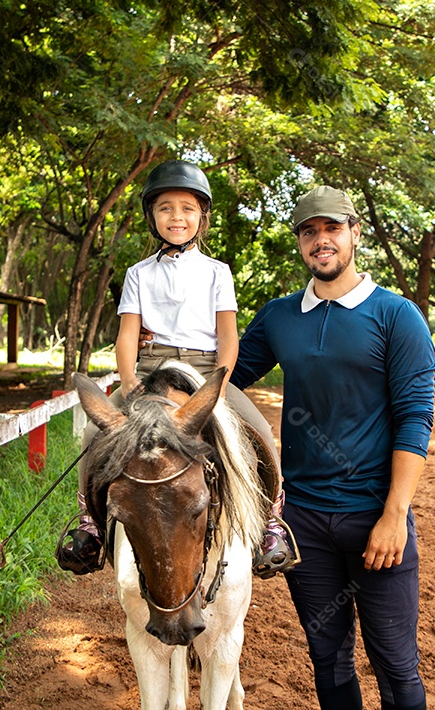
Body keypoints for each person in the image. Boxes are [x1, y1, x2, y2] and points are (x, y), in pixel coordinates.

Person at [229, 186, 435, 710]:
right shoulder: (279, 317)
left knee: (395, 663)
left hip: (374, 519)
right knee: (329, 656)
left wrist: (395, 515)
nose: (322, 241)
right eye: (309, 231)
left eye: (332, 229)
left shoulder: (397, 316)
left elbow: (416, 419)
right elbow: (223, 377)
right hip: (303, 520)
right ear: (299, 242)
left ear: (354, 234)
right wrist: (158, 352)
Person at [55, 159, 298, 579]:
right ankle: (91, 524)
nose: (176, 217)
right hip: (151, 368)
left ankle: (269, 521)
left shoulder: (217, 272)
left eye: (187, 209)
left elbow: (228, 335)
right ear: (152, 216)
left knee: (259, 429)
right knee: (95, 431)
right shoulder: (138, 274)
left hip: (205, 369)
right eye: (166, 208)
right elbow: (128, 333)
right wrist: (129, 378)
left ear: (201, 216)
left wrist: (220, 387)